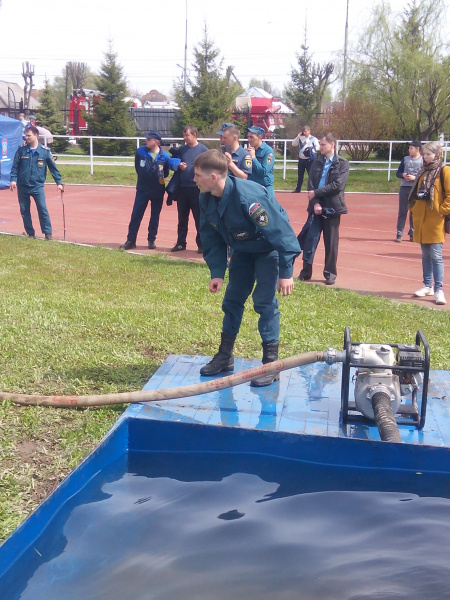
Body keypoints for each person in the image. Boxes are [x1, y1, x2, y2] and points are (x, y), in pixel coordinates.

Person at [193, 150, 300, 387]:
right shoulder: (206, 197)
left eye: (198, 175)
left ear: (213, 177)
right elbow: (211, 236)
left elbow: (280, 231)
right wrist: (217, 272)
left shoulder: (248, 197)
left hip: (267, 249)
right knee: (232, 300)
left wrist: (286, 272)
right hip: (242, 250)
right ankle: (225, 356)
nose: (194, 179)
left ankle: (270, 365)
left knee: (264, 302)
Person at [298, 133, 349, 285]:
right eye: (319, 144)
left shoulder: (342, 163)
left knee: (331, 243)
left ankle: (330, 274)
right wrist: (315, 202)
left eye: (322, 144)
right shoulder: (316, 163)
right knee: (310, 240)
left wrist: (316, 193)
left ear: (332, 145)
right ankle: (306, 272)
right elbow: (311, 185)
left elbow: (337, 185)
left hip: (332, 208)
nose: (319, 147)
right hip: (316, 207)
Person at [120, 130, 180, 250]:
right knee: (136, 214)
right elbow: (138, 167)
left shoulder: (164, 156)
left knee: (155, 216)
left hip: (157, 189)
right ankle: (131, 240)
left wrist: (159, 174)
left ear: (156, 141)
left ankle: (151, 240)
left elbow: (166, 173)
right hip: (142, 189)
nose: (146, 141)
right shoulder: (140, 151)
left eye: (149, 139)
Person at [408, 141, 450, 305]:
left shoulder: (444, 171)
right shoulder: (423, 170)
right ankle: (427, 285)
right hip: (421, 218)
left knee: (436, 255)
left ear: (437, 154)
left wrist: (442, 210)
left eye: (428, 154)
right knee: (425, 254)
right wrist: (414, 209)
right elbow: (416, 192)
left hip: (436, 219)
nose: (425, 157)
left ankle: (439, 289)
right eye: (424, 154)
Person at [9, 125, 63, 240]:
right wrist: (13, 179)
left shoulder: (44, 151)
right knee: (24, 210)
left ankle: (48, 234)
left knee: (42, 209)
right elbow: (15, 166)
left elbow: (53, 168)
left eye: (29, 135)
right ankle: (30, 233)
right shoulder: (21, 150)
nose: (26, 137)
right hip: (23, 186)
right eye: (25, 135)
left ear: (36, 135)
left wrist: (58, 182)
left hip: (37, 186)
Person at [170, 125, 208, 253]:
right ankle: (181, 243)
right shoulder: (182, 149)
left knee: (199, 218)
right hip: (182, 189)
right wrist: (178, 165)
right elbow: (173, 162)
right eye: (184, 135)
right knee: (182, 218)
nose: (185, 138)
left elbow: (208, 167)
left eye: (187, 135)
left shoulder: (203, 150)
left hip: (197, 189)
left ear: (194, 135)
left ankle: (201, 244)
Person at [395, 140, 423, 242]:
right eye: (409, 148)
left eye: (411, 148)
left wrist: (415, 178)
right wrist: (403, 175)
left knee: (414, 211)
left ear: (417, 149)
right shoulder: (405, 159)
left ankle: (413, 233)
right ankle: (399, 233)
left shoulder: (423, 160)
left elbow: (425, 175)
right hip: (404, 188)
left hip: (416, 188)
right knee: (402, 211)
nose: (409, 150)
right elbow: (398, 173)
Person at [247, 125, 275, 197]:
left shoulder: (268, 151)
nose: (249, 140)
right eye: (248, 137)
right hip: (251, 187)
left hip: (264, 188)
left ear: (259, 137)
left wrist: (253, 158)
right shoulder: (249, 151)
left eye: (251, 137)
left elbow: (263, 171)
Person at [291, 126, 319, 193]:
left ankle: (312, 188)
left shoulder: (313, 139)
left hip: (309, 160)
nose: (305, 133)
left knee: (311, 175)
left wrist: (310, 149)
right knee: (300, 175)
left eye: (306, 131)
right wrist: (298, 137)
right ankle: (298, 189)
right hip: (301, 159)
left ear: (309, 131)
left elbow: (318, 147)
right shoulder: (301, 138)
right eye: (304, 131)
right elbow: (293, 144)